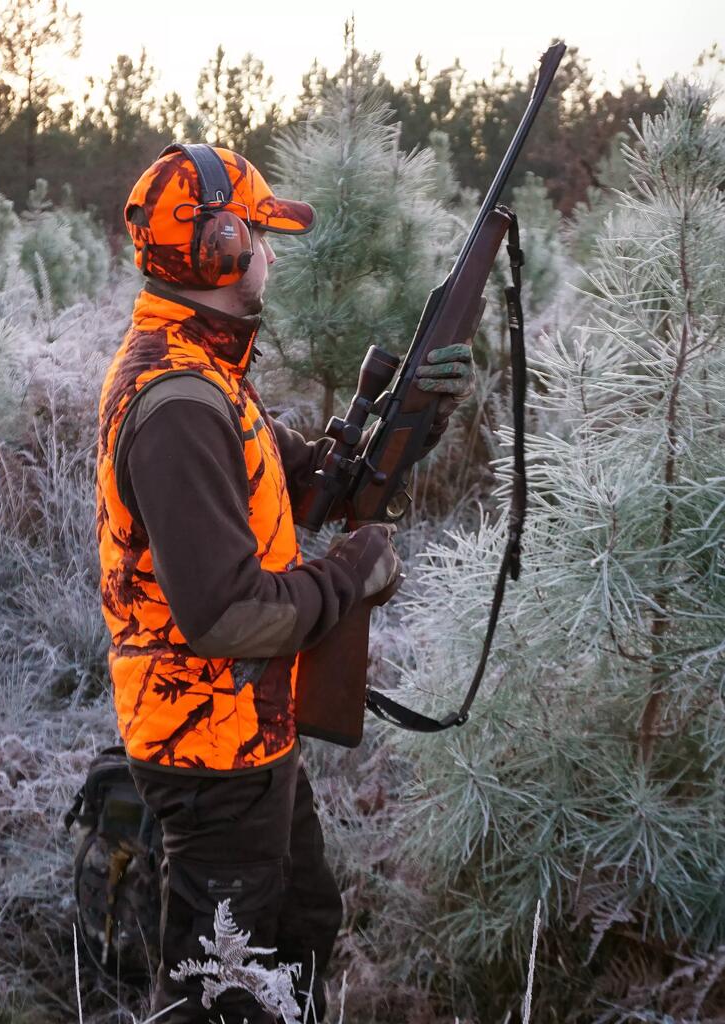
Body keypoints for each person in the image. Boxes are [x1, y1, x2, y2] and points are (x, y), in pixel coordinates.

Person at [95, 143, 474, 1022]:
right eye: (260, 236)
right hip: (208, 748)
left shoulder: (207, 372)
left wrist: (419, 414)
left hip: (246, 729)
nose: (271, 254)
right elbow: (225, 613)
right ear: (219, 249)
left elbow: (308, 485)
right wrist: (348, 576)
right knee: (220, 992)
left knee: (302, 921)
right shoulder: (181, 401)